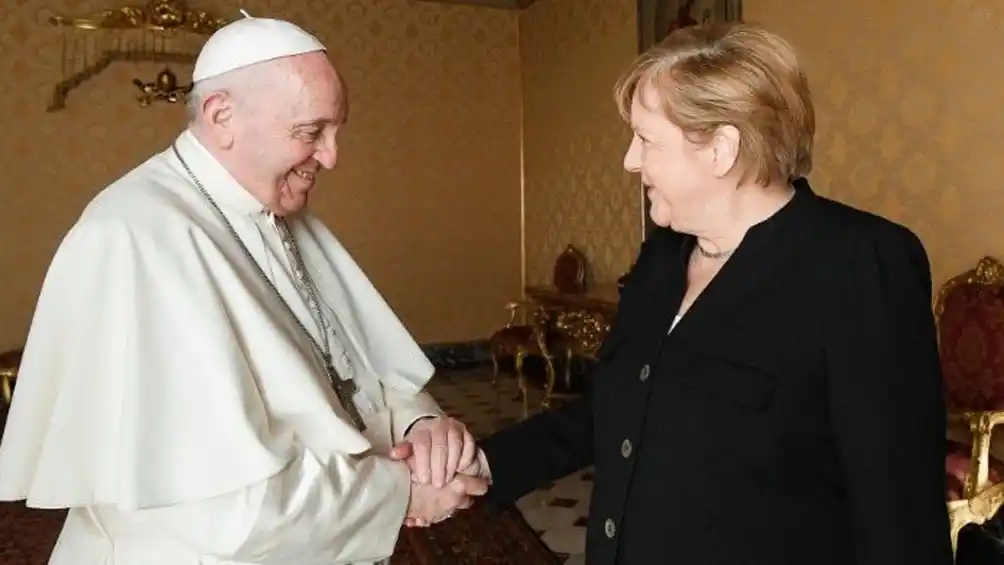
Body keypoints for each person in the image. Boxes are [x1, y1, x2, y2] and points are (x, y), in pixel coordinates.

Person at [460, 22, 954, 565]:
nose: (630, 161)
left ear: (720, 148)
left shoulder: (860, 264)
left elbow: (898, 508)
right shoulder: (663, 257)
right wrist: (486, 464)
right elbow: (617, 410)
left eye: (646, 140)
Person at [0, 15, 483, 565]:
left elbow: (351, 371)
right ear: (222, 116)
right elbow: (219, 509)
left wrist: (422, 426)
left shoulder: (280, 213)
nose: (331, 156)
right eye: (310, 132)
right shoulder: (132, 237)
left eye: (335, 130)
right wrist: (404, 492)